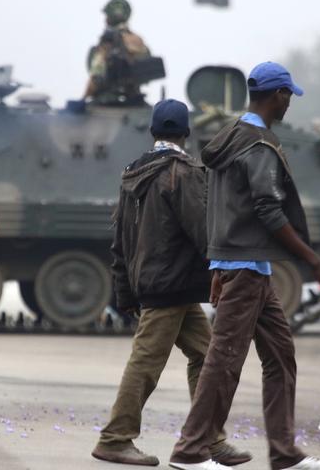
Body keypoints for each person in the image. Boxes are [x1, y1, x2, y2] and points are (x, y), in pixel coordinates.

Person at [168, 62, 320, 470]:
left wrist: (216, 264)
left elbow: (221, 204)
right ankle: (190, 451)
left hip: (249, 267)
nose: (289, 104)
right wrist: (315, 262)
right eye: (288, 95)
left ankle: (283, 453)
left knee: (281, 358)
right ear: (277, 94)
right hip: (246, 268)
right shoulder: (259, 145)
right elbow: (266, 208)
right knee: (224, 360)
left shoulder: (230, 135)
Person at [91, 99, 251, 467]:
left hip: (154, 281)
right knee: (147, 361)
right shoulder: (183, 172)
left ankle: (209, 439)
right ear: (186, 132)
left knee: (208, 356)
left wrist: (124, 288)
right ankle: (115, 438)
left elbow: (121, 237)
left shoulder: (133, 171)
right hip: (172, 286)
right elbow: (203, 231)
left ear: (152, 131)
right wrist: (225, 270)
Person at [83, 0, 151, 104]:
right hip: (135, 99)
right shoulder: (137, 40)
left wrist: (85, 96)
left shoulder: (107, 42)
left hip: (106, 101)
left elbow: (97, 72)